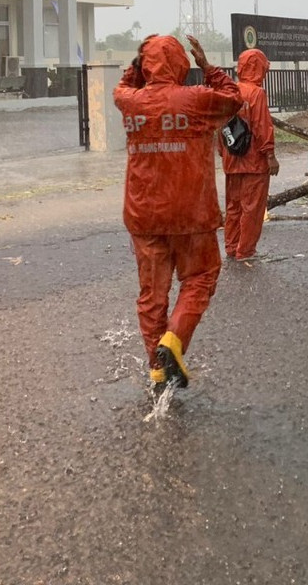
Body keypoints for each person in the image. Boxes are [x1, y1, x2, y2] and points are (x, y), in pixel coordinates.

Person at [114, 34, 243, 392]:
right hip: (191, 212)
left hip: (143, 213)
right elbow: (235, 97)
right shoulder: (197, 99)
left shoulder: (130, 102)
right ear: (180, 63)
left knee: (152, 294)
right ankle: (174, 339)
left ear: (146, 65)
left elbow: (123, 85)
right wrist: (208, 66)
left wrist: (138, 66)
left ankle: (157, 369)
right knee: (201, 275)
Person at [221, 48, 280, 266]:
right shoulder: (256, 94)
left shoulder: (229, 91)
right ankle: (245, 250)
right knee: (252, 208)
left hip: (232, 161)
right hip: (254, 162)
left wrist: (224, 154)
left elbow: (221, 128)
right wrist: (270, 155)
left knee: (233, 206)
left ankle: (231, 246)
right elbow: (262, 126)